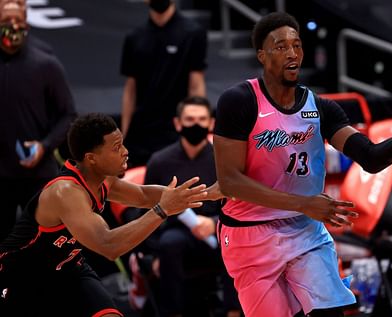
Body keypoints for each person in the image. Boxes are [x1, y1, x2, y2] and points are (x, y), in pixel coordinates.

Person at [213, 12, 392, 317]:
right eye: (280, 46)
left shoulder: (322, 108)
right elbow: (230, 182)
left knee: (331, 312)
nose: (292, 53)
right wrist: (304, 203)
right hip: (248, 235)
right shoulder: (239, 101)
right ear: (262, 56)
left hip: (305, 230)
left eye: (297, 45)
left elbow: (371, 158)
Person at [0, 113, 216, 317]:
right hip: (23, 277)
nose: (125, 151)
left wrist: (207, 194)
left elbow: (142, 195)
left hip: (69, 267)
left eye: (122, 143)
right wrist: (162, 210)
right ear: (91, 158)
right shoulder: (65, 193)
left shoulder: (103, 179)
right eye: (116, 148)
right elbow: (109, 246)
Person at [134, 96, 241, 317]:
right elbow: (145, 213)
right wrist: (153, 257)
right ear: (177, 123)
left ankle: (234, 313)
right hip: (175, 233)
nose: (195, 125)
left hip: (220, 231)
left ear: (211, 123)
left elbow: (241, 206)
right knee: (169, 243)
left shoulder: (225, 160)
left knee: (235, 241)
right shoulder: (159, 162)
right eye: (189, 119)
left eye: (202, 119)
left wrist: (213, 223)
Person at [0, 0, 77, 241]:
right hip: (0, 176)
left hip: (38, 175)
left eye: (19, 22)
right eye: (6, 23)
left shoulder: (45, 64)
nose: (13, 28)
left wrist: (44, 146)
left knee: (43, 245)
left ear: (28, 25)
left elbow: (68, 114)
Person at [120, 0, 207, 167]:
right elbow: (130, 89)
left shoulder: (193, 33)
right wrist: (124, 134)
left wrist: (195, 123)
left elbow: (196, 84)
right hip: (140, 133)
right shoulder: (134, 37)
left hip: (174, 131)